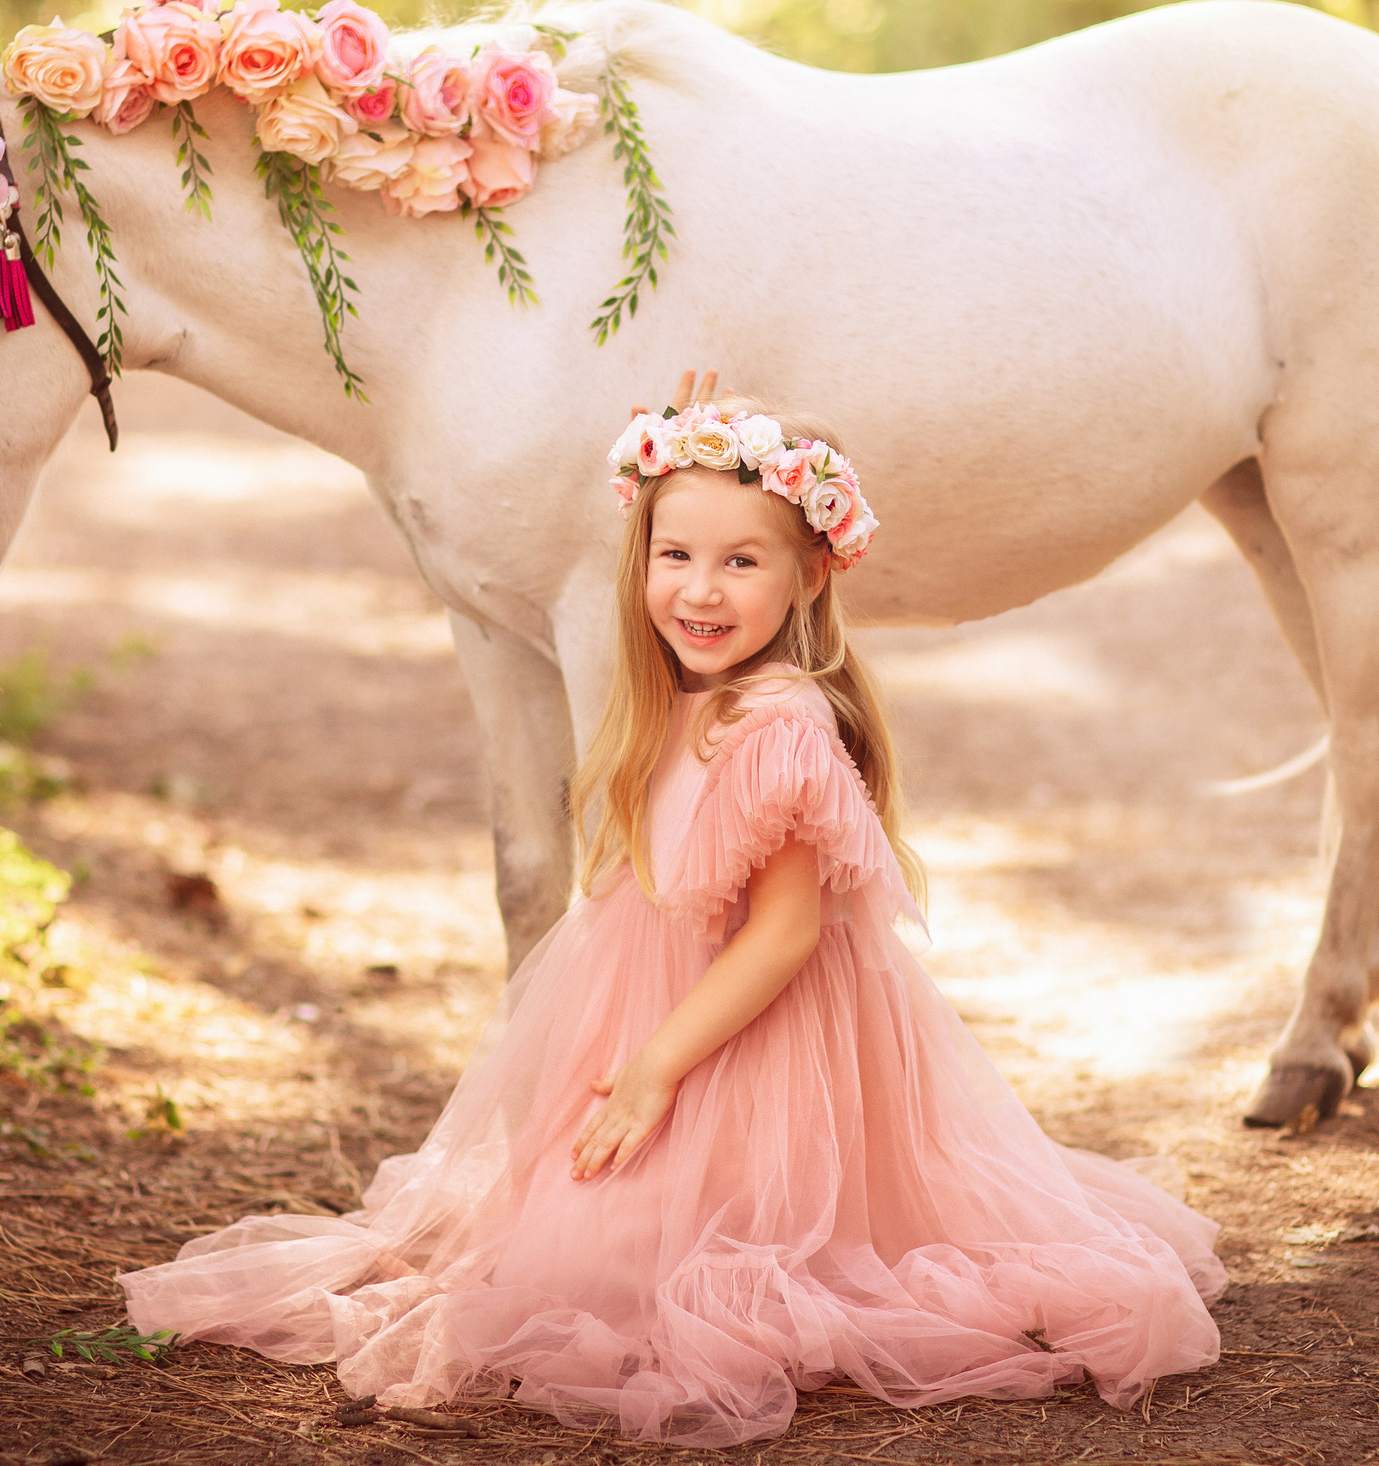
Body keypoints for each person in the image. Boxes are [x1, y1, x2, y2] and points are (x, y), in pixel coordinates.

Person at [119, 371, 1226, 1446]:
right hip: (663, 1018)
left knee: (619, 1283)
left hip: (751, 1051)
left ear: (805, 581)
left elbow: (786, 935)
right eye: (674, 554)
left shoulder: (778, 726)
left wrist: (657, 1066)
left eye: (741, 561)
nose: (699, 590)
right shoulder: (685, 698)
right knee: (550, 1251)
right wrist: (687, 437)